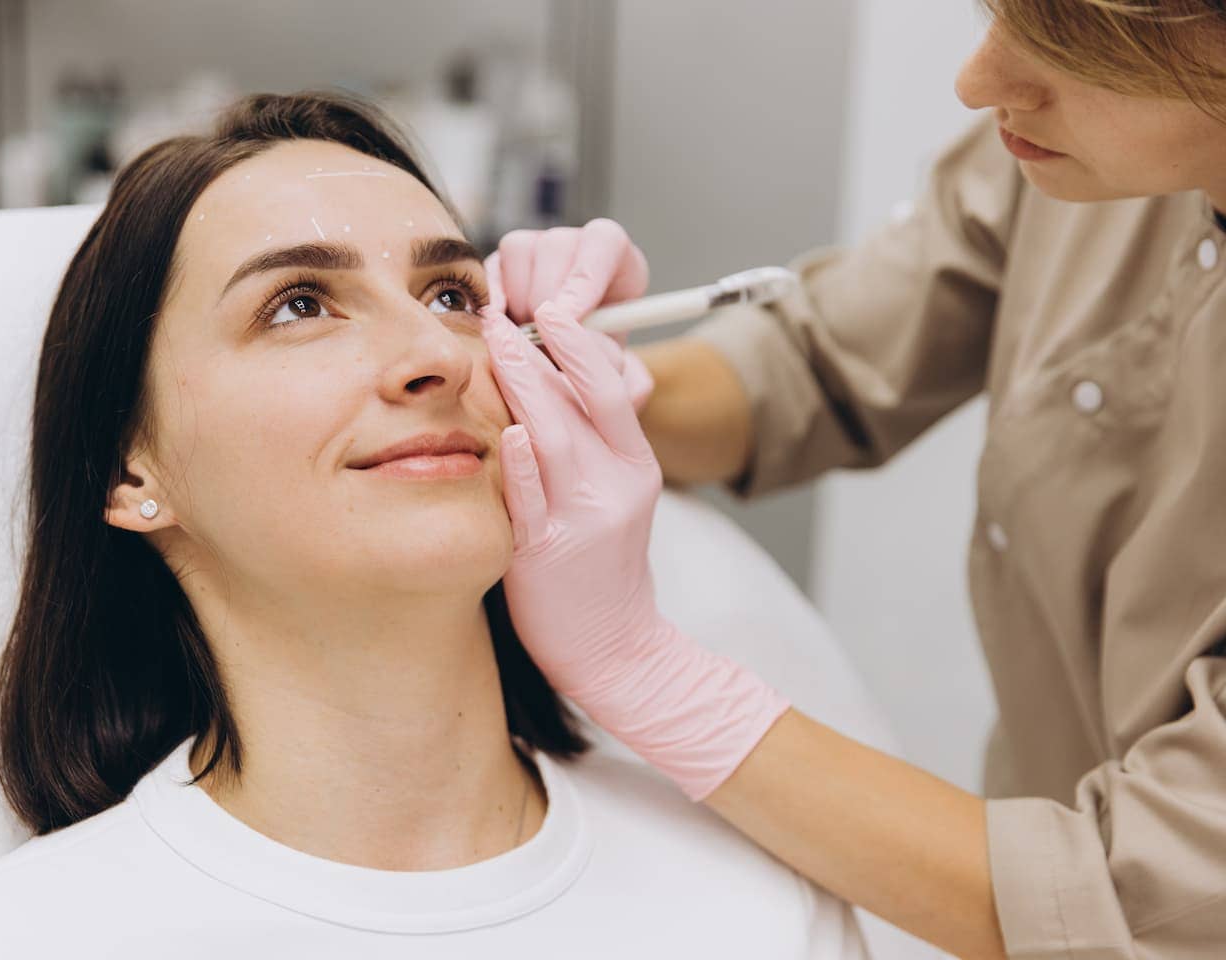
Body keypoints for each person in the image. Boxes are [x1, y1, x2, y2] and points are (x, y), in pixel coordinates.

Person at [0, 91, 866, 959]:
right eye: (298, 305)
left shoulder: (764, 905)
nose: (438, 352)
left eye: (455, 293)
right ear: (130, 467)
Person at [480, 3, 1226, 960]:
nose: (978, 81)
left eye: (1066, 45)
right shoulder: (1071, 154)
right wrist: (599, 392)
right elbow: (820, 360)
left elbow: (1124, 889)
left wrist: (653, 680)